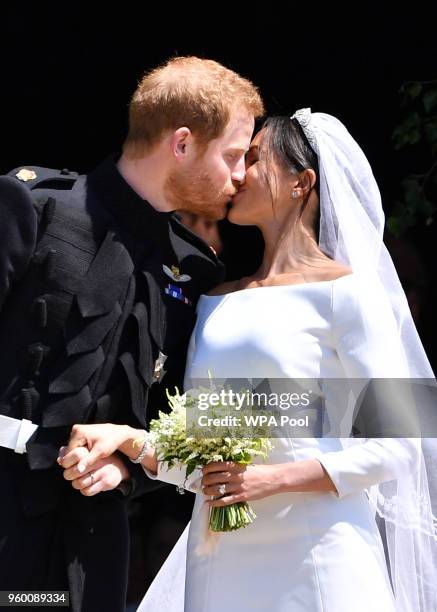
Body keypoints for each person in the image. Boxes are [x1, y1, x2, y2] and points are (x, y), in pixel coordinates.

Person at [61, 110, 437, 611]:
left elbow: (405, 446)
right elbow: (201, 454)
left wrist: (269, 480)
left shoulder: (351, 293)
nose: (237, 174)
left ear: (302, 183)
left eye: (254, 159)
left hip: (319, 557)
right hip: (218, 560)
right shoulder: (216, 299)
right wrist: (128, 441)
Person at [0, 56, 264, 611]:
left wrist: (126, 467)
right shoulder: (34, 205)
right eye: (234, 156)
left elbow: (171, 417)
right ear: (183, 143)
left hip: (93, 540)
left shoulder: (195, 272)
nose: (242, 176)